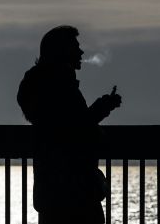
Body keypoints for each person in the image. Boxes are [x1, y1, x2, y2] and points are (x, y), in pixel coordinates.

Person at [17, 25, 122, 224]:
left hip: (50, 193)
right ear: (62, 51)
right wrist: (102, 108)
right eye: (75, 46)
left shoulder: (41, 87)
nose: (81, 52)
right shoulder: (63, 88)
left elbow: (68, 124)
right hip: (77, 193)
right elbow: (76, 128)